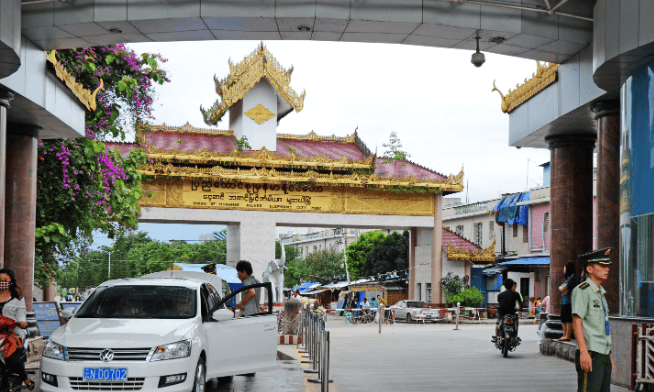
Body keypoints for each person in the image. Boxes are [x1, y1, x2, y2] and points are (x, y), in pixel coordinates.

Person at [572, 248, 614, 392]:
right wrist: (583, 352)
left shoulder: (600, 293)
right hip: (590, 352)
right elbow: (577, 321)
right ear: (590, 268)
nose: (607, 269)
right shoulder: (582, 290)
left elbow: (601, 326)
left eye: (607, 266)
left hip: (602, 353)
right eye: (602, 266)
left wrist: (608, 355)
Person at [0, 269, 34, 390]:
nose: (1, 283)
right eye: (0, 280)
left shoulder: (18, 298)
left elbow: (21, 315)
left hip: (12, 334)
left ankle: (25, 378)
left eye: (5, 280)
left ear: (11, 282)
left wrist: (21, 322)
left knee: (11, 359)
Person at [492, 278, 523, 342]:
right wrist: (520, 309)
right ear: (512, 285)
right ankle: (515, 338)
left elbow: (500, 305)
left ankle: (496, 337)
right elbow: (520, 303)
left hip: (502, 313)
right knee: (516, 325)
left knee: (498, 324)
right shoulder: (516, 294)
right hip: (512, 313)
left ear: (504, 286)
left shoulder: (500, 295)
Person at [558, 261, 579, 342]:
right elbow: (563, 288)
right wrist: (563, 288)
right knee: (563, 318)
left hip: (569, 301)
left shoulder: (572, 278)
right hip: (564, 301)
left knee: (568, 318)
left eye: (565, 268)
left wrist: (563, 288)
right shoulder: (568, 279)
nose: (564, 269)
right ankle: (564, 334)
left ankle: (568, 335)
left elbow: (563, 289)